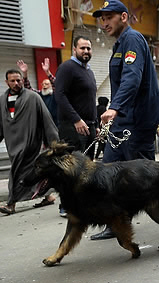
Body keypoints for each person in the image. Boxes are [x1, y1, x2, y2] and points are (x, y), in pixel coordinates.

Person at [91, 0, 159, 240]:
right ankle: (116, 223)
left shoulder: (132, 40)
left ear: (123, 17)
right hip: (122, 123)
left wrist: (114, 108)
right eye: (102, 18)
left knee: (146, 178)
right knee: (110, 173)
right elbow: (123, 83)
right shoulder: (119, 45)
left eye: (109, 17)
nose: (104, 22)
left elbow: (132, 78)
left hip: (136, 122)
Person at [0, 69, 58, 215]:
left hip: (30, 142)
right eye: (12, 81)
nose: (16, 83)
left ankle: (11, 203)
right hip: (12, 143)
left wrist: (54, 142)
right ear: (6, 82)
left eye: (18, 80)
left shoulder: (33, 97)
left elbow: (46, 120)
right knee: (34, 173)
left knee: (16, 172)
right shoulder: (2, 99)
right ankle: (48, 195)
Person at [55, 35, 97, 217]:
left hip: (89, 126)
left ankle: (84, 202)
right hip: (72, 126)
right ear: (74, 49)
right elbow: (60, 96)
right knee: (71, 168)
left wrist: (95, 123)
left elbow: (89, 100)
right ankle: (66, 205)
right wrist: (76, 120)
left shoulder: (89, 71)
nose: (86, 51)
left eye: (88, 48)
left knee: (87, 167)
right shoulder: (67, 68)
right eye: (82, 48)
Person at [17, 58, 58, 126]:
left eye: (47, 84)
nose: (44, 86)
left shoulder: (55, 95)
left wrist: (47, 72)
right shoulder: (39, 94)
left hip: (54, 123)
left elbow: (56, 85)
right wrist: (25, 73)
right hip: (41, 123)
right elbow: (28, 88)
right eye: (43, 84)